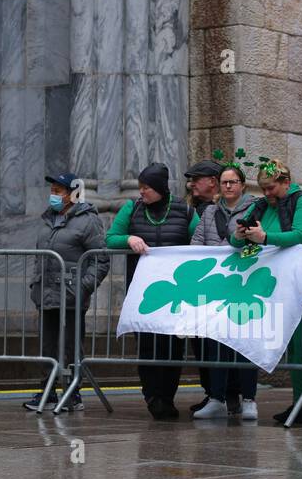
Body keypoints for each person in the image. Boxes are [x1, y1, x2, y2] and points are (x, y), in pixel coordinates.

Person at [229, 160, 302, 425]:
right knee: (292, 347)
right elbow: (236, 240)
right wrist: (239, 235)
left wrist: (265, 238)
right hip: (274, 289)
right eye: (263, 189)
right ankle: (299, 403)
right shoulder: (261, 205)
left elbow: (301, 235)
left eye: (271, 188)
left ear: (286, 183)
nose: (267, 193)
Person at [105, 162, 199, 419]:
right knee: (147, 344)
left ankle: (167, 396)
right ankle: (152, 395)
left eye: (146, 187)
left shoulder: (185, 210)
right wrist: (128, 239)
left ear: (160, 188)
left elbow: (201, 241)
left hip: (178, 292)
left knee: (173, 346)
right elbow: (110, 238)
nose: (142, 192)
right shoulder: (132, 208)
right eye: (140, 187)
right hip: (143, 291)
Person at [26, 172, 110, 412]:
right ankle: (48, 391)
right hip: (46, 293)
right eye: (52, 191)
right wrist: (36, 282)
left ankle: (73, 393)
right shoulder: (48, 219)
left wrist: (82, 287)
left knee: (72, 346)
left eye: (58, 191)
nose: (53, 195)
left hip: (72, 295)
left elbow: (100, 260)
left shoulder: (88, 220)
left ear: (73, 194)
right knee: (47, 345)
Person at [190, 160, 260, 421]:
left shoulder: (255, 207)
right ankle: (217, 398)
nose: (228, 186)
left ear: (242, 185)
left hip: (243, 284)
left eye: (233, 182)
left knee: (244, 343)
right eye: (224, 182)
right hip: (214, 286)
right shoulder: (209, 212)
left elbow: (256, 243)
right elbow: (197, 241)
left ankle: (249, 399)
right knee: (214, 342)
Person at [184, 159, 223, 417]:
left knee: (219, 342)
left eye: (196, 178)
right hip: (197, 285)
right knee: (200, 342)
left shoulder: (221, 208)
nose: (191, 183)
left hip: (220, 285)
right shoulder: (189, 209)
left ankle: (226, 395)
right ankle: (210, 392)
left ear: (212, 181)